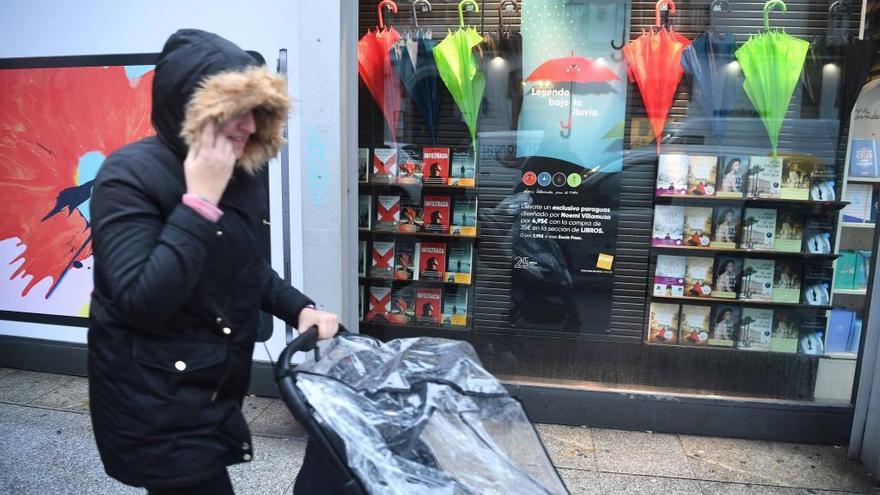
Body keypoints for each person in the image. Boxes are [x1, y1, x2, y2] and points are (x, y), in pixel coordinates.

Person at [87, 30, 342, 494]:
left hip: (209, 388)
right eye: (235, 112)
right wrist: (199, 201)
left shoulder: (236, 171)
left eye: (256, 112)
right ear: (194, 110)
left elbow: (243, 265)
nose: (248, 126)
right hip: (153, 397)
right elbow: (140, 300)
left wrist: (299, 307)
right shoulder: (126, 177)